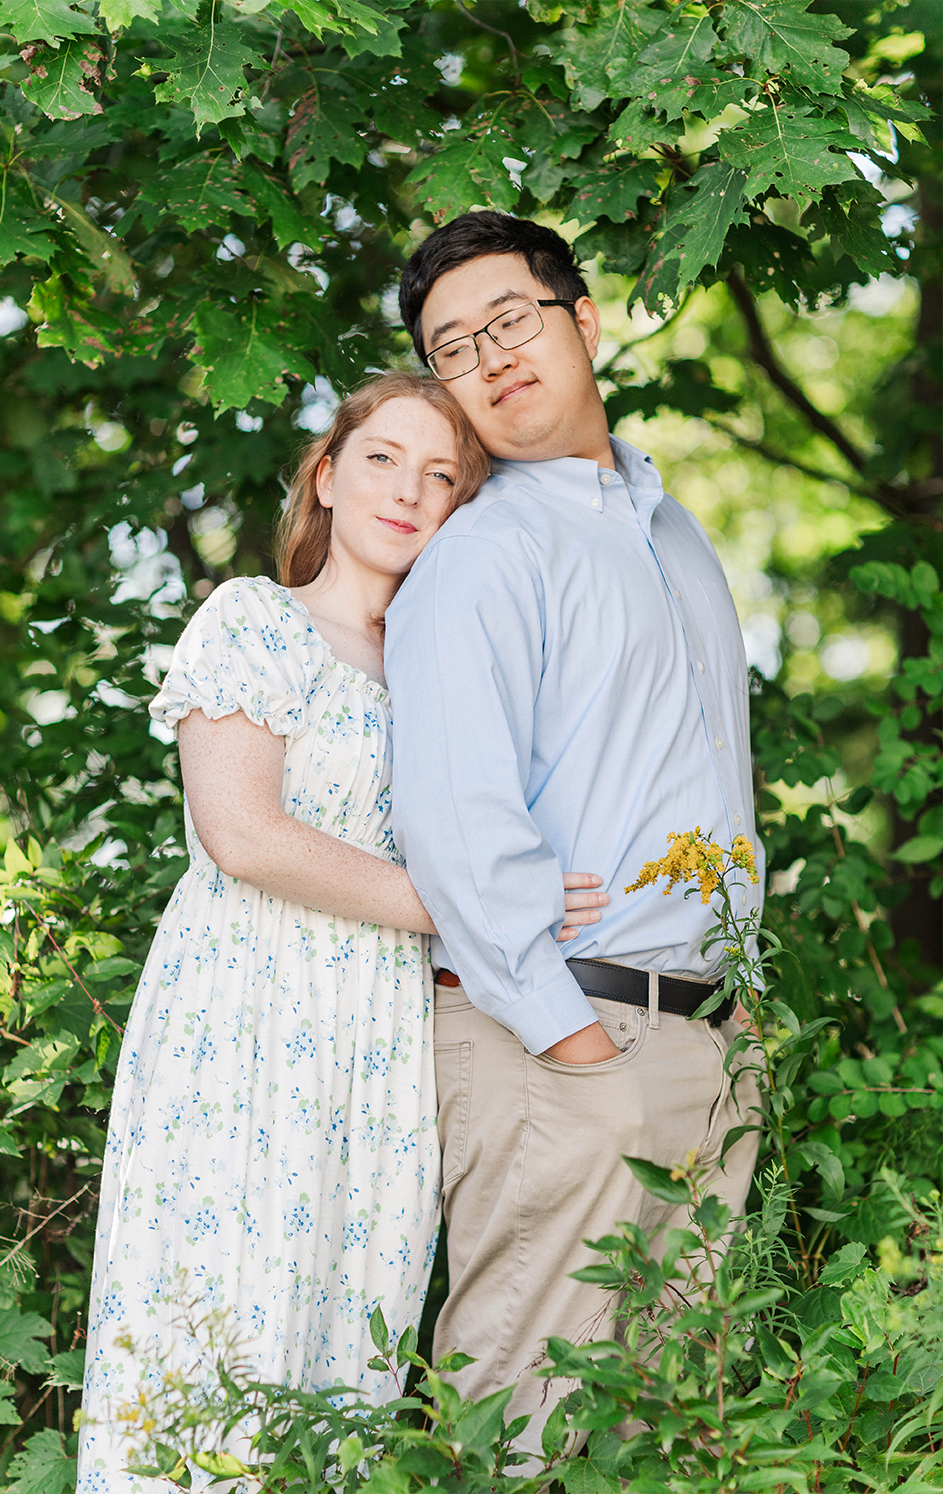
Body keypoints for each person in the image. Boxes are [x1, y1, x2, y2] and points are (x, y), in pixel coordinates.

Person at [77, 373, 608, 1491]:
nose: (408, 492)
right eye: (382, 459)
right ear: (326, 474)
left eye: (441, 477)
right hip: (244, 1023)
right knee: (213, 1336)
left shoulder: (449, 675)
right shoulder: (254, 620)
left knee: (340, 1352)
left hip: (380, 1043)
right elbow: (244, 836)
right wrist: (473, 907)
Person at [384, 210, 762, 1454]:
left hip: (706, 1042)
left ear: (581, 318)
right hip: (558, 1049)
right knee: (518, 1437)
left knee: (666, 1440)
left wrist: (739, 1014)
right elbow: (454, 825)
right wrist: (576, 1052)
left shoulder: (672, 536)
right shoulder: (479, 557)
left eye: (509, 320)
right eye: (451, 348)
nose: (488, 357)